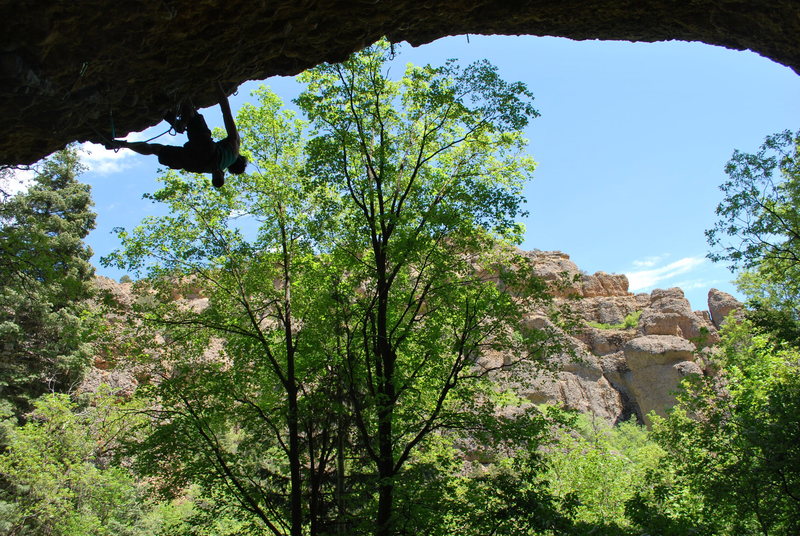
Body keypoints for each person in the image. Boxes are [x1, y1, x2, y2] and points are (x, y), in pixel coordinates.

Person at [105, 83, 246, 188]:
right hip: (196, 165)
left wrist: (217, 85)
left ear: (239, 158)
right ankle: (123, 144)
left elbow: (226, 112)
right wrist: (217, 173)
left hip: (208, 152)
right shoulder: (223, 163)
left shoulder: (234, 147)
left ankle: (182, 91)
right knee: (157, 150)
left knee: (193, 117)